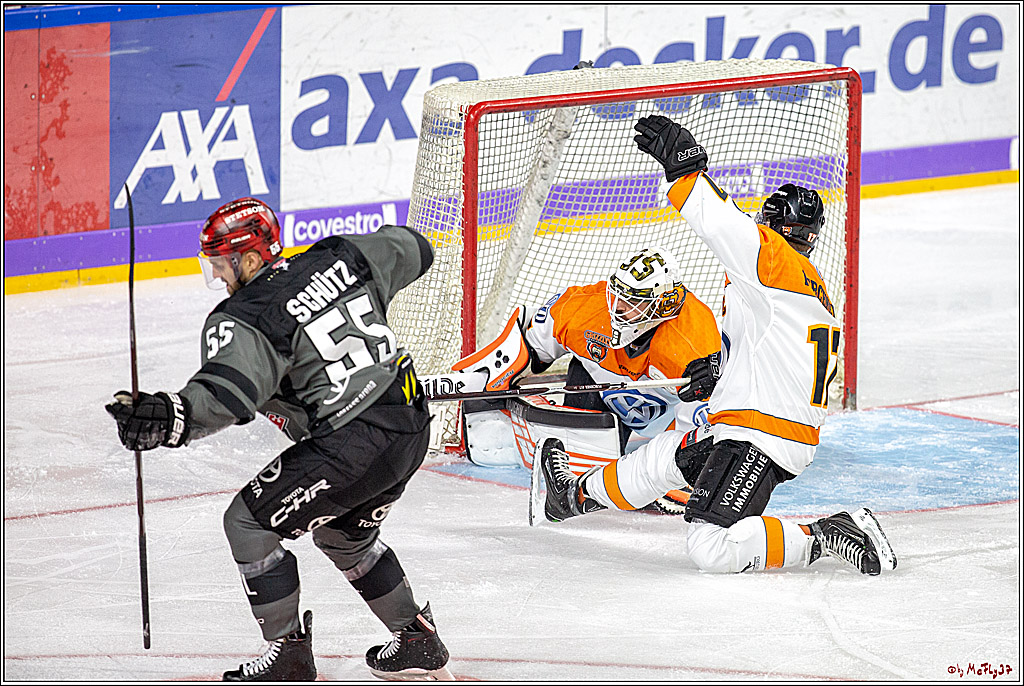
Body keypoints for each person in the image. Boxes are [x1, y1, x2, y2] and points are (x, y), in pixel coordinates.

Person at [105, 198, 454, 681]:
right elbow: (416, 248)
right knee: (343, 535)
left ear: (250, 259)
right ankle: (416, 638)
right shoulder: (341, 254)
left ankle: (288, 655)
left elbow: (225, 396)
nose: (218, 275)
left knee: (247, 524)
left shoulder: (249, 315)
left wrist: (167, 415)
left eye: (222, 263)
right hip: (411, 424)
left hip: (354, 442)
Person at [541, 115, 897, 577]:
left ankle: (825, 534)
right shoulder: (804, 290)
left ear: (769, 225)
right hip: (763, 422)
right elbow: (772, 353)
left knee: (711, 547)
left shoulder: (773, 262)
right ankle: (573, 495)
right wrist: (720, 370)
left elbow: (723, 225)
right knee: (665, 459)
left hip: (760, 433)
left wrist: (686, 170)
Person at [454, 245, 722, 514]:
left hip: (667, 417)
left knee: (681, 463)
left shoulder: (693, 345)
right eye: (617, 295)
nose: (618, 309)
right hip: (603, 394)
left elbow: (705, 423)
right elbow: (530, 339)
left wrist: (672, 470)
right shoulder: (587, 308)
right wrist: (489, 377)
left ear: (663, 305)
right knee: (582, 467)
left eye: (632, 302)